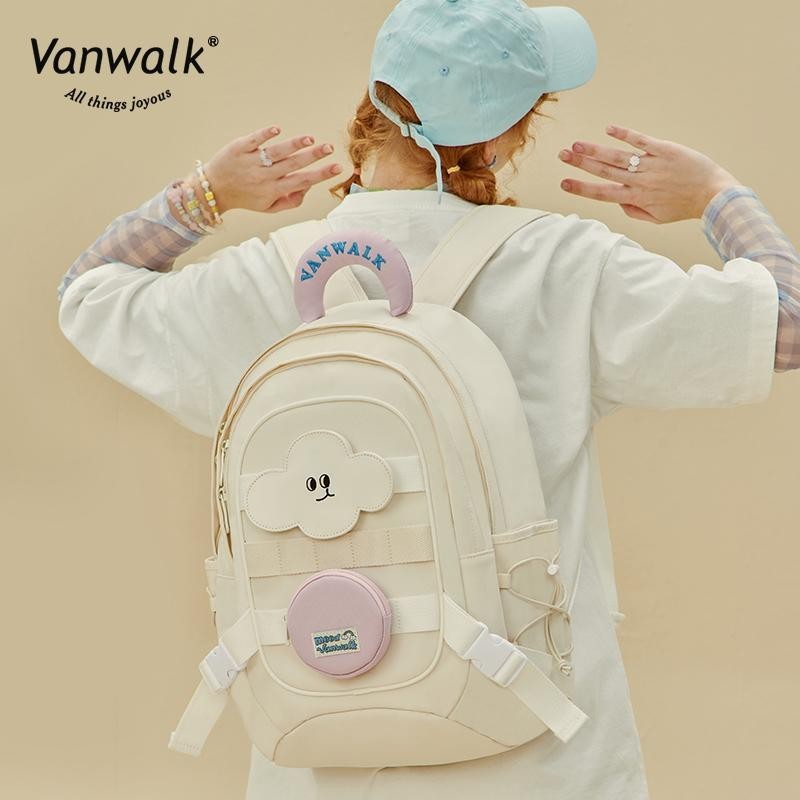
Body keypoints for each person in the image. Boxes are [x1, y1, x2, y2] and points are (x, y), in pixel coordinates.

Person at [56, 2, 800, 798]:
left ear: (374, 105)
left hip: (324, 740)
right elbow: (788, 327)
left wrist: (202, 196)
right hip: (535, 746)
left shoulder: (265, 276)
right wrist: (716, 195)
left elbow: (86, 294)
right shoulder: (566, 267)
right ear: (503, 138)